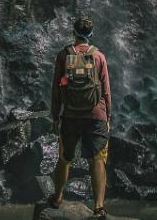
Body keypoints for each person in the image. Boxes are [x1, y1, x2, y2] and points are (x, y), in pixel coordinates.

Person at [49, 17, 112, 219]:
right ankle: (99, 207)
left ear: (73, 33)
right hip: (96, 114)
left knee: (65, 157)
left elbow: (56, 87)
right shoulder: (99, 57)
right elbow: (106, 90)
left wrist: (55, 115)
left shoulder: (63, 55)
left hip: (70, 115)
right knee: (97, 159)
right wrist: (108, 115)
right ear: (91, 34)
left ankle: (58, 197)